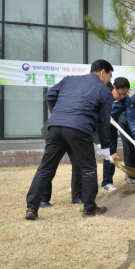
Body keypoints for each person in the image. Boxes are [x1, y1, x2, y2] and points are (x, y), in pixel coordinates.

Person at [25, 59, 114, 219]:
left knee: (45, 168)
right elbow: (104, 123)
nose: (109, 79)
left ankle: (32, 208)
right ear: (103, 72)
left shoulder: (69, 79)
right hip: (80, 129)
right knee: (88, 168)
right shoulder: (104, 91)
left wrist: (59, 114)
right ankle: (89, 208)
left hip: (55, 126)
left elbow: (50, 95)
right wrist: (105, 146)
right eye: (109, 75)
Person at [100, 77, 135, 192]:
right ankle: (77, 184)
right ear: (114, 88)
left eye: (125, 94)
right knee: (84, 153)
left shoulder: (126, 100)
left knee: (111, 155)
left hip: (111, 128)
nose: (123, 96)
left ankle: (107, 183)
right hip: (95, 126)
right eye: (120, 94)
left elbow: (131, 120)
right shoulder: (102, 93)